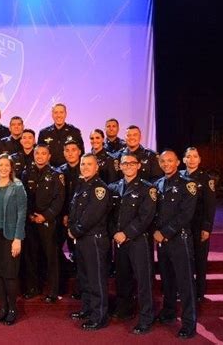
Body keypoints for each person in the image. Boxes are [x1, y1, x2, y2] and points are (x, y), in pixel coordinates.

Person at [108, 153, 157, 335]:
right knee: (123, 278)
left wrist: (126, 233)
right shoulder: (113, 188)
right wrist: (115, 233)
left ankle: (146, 317)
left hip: (138, 240)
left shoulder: (147, 188)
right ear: (120, 166)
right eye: (124, 163)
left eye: (131, 163)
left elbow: (146, 217)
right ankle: (125, 310)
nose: (128, 166)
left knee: (143, 280)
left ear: (138, 166)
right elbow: (110, 216)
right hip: (119, 242)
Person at [154, 150, 198, 339]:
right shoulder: (158, 184)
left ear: (178, 162)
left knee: (185, 283)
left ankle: (189, 324)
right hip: (162, 243)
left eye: (170, 161)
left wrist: (164, 232)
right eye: (163, 161)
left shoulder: (188, 185)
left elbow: (185, 215)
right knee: (168, 280)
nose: (166, 164)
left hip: (179, 240)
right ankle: (169, 312)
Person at [68, 153, 111, 331]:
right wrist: (72, 228)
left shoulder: (99, 189)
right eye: (83, 164)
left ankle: (99, 316)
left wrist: (75, 230)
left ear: (96, 167)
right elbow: (74, 211)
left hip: (93, 239)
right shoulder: (82, 185)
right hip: (82, 240)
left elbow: (91, 215)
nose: (85, 167)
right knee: (84, 278)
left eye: (89, 164)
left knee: (96, 279)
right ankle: (87, 309)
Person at [0, 154, 27, 325]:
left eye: (6, 165)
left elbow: (22, 213)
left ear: (11, 168)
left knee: (9, 274)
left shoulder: (17, 187)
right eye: (0, 165)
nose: (3, 168)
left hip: (10, 236)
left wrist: (18, 238)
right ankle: (2, 308)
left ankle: (12, 309)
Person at [21, 144, 65, 302]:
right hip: (31, 221)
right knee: (31, 256)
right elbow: (23, 196)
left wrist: (45, 216)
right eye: (37, 153)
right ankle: (33, 288)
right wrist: (30, 216)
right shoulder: (26, 173)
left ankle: (53, 291)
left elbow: (59, 200)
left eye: (43, 153)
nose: (40, 156)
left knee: (51, 257)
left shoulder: (56, 175)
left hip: (48, 223)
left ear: (49, 156)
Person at [181, 147, 216, 301]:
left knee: (200, 260)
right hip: (182, 225)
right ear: (183, 160)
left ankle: (199, 292)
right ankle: (183, 290)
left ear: (199, 159)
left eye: (195, 156)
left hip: (198, 225)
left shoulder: (206, 179)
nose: (192, 159)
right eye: (189, 156)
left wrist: (207, 227)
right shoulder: (178, 176)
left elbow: (210, 206)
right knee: (183, 259)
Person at [58, 139, 83, 295]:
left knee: (81, 254)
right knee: (57, 250)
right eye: (67, 150)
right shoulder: (59, 171)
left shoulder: (87, 168)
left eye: (73, 149)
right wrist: (64, 214)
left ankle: (81, 288)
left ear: (79, 151)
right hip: (63, 218)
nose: (70, 153)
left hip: (82, 220)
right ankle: (64, 282)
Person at [38, 103, 84, 167]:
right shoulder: (43, 133)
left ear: (65, 114)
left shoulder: (75, 132)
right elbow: (39, 154)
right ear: (52, 115)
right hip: (50, 171)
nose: (58, 115)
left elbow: (81, 154)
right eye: (56, 112)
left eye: (61, 112)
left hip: (70, 171)